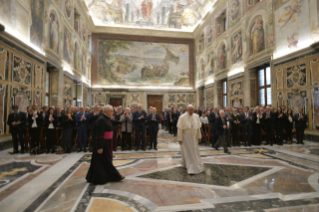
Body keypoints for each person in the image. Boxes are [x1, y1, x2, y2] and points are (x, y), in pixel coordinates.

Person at [86, 105, 125, 185]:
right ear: (107, 111)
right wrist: (100, 147)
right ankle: (116, 176)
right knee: (106, 160)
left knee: (102, 161)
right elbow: (99, 134)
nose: (113, 113)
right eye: (111, 111)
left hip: (106, 143)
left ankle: (97, 176)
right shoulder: (102, 120)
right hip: (103, 144)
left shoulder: (105, 118)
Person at [177, 105, 204, 174]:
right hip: (186, 137)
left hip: (194, 137)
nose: (191, 111)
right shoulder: (182, 117)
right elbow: (180, 129)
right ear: (187, 110)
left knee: (195, 151)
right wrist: (180, 139)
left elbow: (198, 128)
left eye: (192, 110)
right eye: (190, 110)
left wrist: (199, 137)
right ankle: (190, 166)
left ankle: (195, 164)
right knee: (188, 152)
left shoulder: (196, 116)